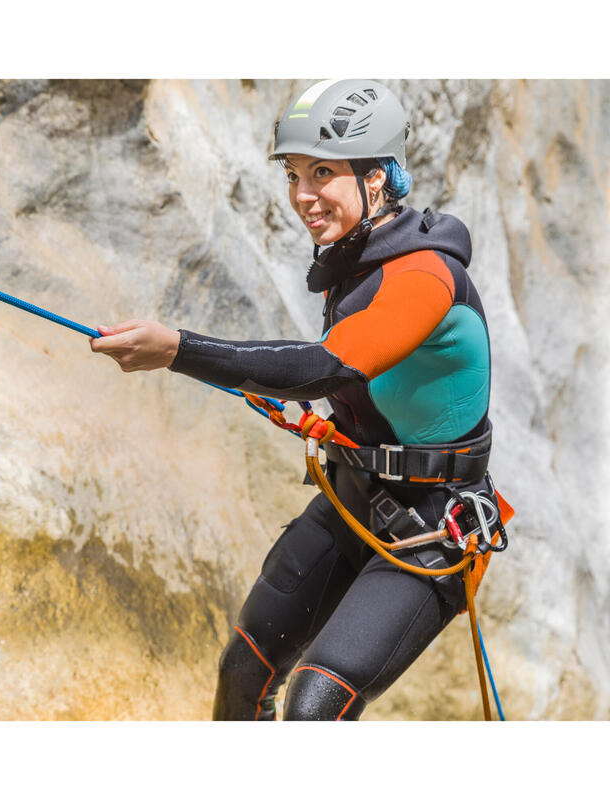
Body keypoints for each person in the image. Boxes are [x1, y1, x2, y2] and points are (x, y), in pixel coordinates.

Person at [90, 79, 499, 720]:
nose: (303, 195)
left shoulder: (424, 275)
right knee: (245, 668)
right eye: (294, 174)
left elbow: (324, 367)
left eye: (323, 173)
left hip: (431, 530)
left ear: (377, 181)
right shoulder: (356, 260)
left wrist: (177, 349)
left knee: (316, 704)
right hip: (354, 498)